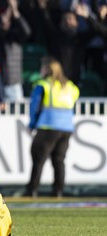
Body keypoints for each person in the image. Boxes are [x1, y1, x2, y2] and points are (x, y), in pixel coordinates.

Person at [25, 56, 80, 198]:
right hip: (66, 128)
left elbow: (35, 107)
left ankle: (32, 189)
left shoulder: (43, 85)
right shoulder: (70, 86)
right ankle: (58, 190)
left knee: (38, 159)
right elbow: (73, 100)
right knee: (59, 160)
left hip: (48, 126)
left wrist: (32, 124)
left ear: (46, 69)